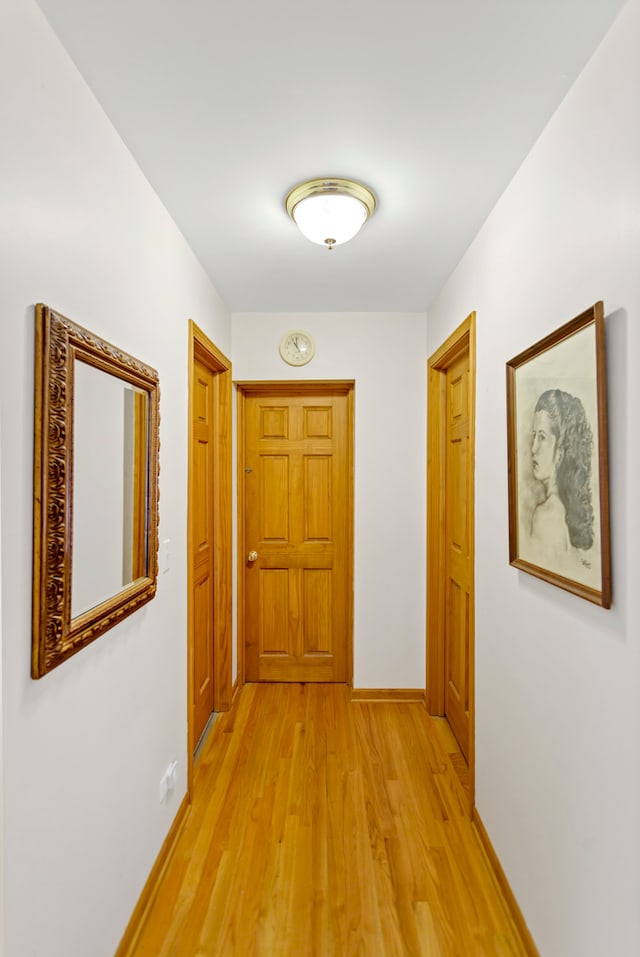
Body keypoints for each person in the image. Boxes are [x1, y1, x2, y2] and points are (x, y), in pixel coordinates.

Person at [529, 389, 594, 559]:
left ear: (561, 451)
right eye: (534, 436)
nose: (533, 448)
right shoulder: (568, 515)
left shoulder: (544, 517)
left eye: (542, 437)